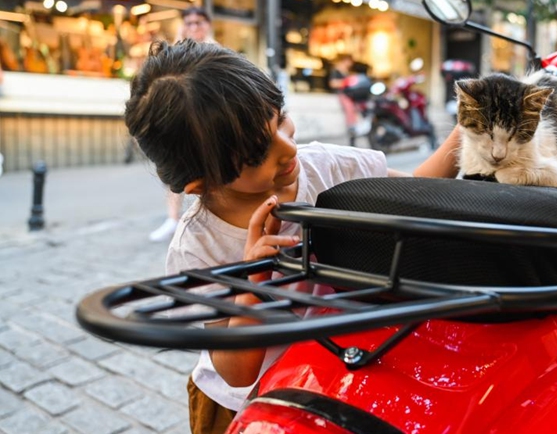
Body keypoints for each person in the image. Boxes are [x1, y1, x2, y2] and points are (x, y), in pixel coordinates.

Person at [124, 39, 410, 433]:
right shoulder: (199, 246)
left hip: (330, 380)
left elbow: (420, 194)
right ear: (201, 182)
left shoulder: (325, 167)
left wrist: (469, 134)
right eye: (258, 154)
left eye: (280, 120)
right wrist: (253, 275)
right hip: (246, 407)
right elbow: (237, 371)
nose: (288, 147)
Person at [149, 6, 216, 242]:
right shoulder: (178, 49)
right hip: (181, 118)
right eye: (189, 23)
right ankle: (172, 218)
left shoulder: (216, 50)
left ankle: (205, 218)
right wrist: (178, 40)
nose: (194, 27)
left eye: (198, 22)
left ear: (207, 24)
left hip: (207, 120)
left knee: (207, 170)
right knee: (174, 166)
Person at [328, 55, 361, 146]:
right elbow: (333, 83)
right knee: (349, 108)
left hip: (349, 94)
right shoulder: (336, 70)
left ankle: (355, 129)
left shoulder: (346, 71)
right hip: (342, 94)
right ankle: (351, 129)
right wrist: (345, 82)